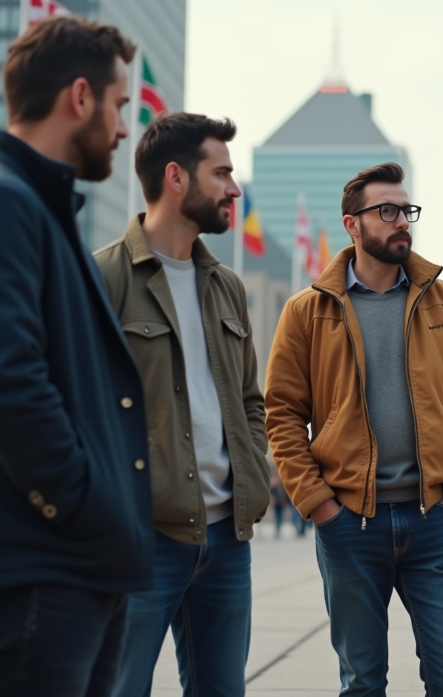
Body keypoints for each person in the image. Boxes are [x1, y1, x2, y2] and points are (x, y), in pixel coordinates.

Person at [0, 16, 153, 696]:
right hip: (35, 566)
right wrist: (88, 503)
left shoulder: (33, 208)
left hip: (67, 563)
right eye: (119, 105)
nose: (121, 128)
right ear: (80, 96)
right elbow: (3, 385)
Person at [265, 162, 443, 696]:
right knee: (362, 682)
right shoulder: (306, 311)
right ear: (352, 224)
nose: (401, 222)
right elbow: (280, 414)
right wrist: (319, 504)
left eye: (406, 211)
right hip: (349, 526)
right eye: (386, 211)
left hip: (434, 518)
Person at [95, 113, 271, 697]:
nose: (234, 188)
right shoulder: (101, 278)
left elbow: (250, 400)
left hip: (226, 539)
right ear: (176, 177)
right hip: (140, 539)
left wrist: (253, 469)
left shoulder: (227, 286)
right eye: (221, 172)